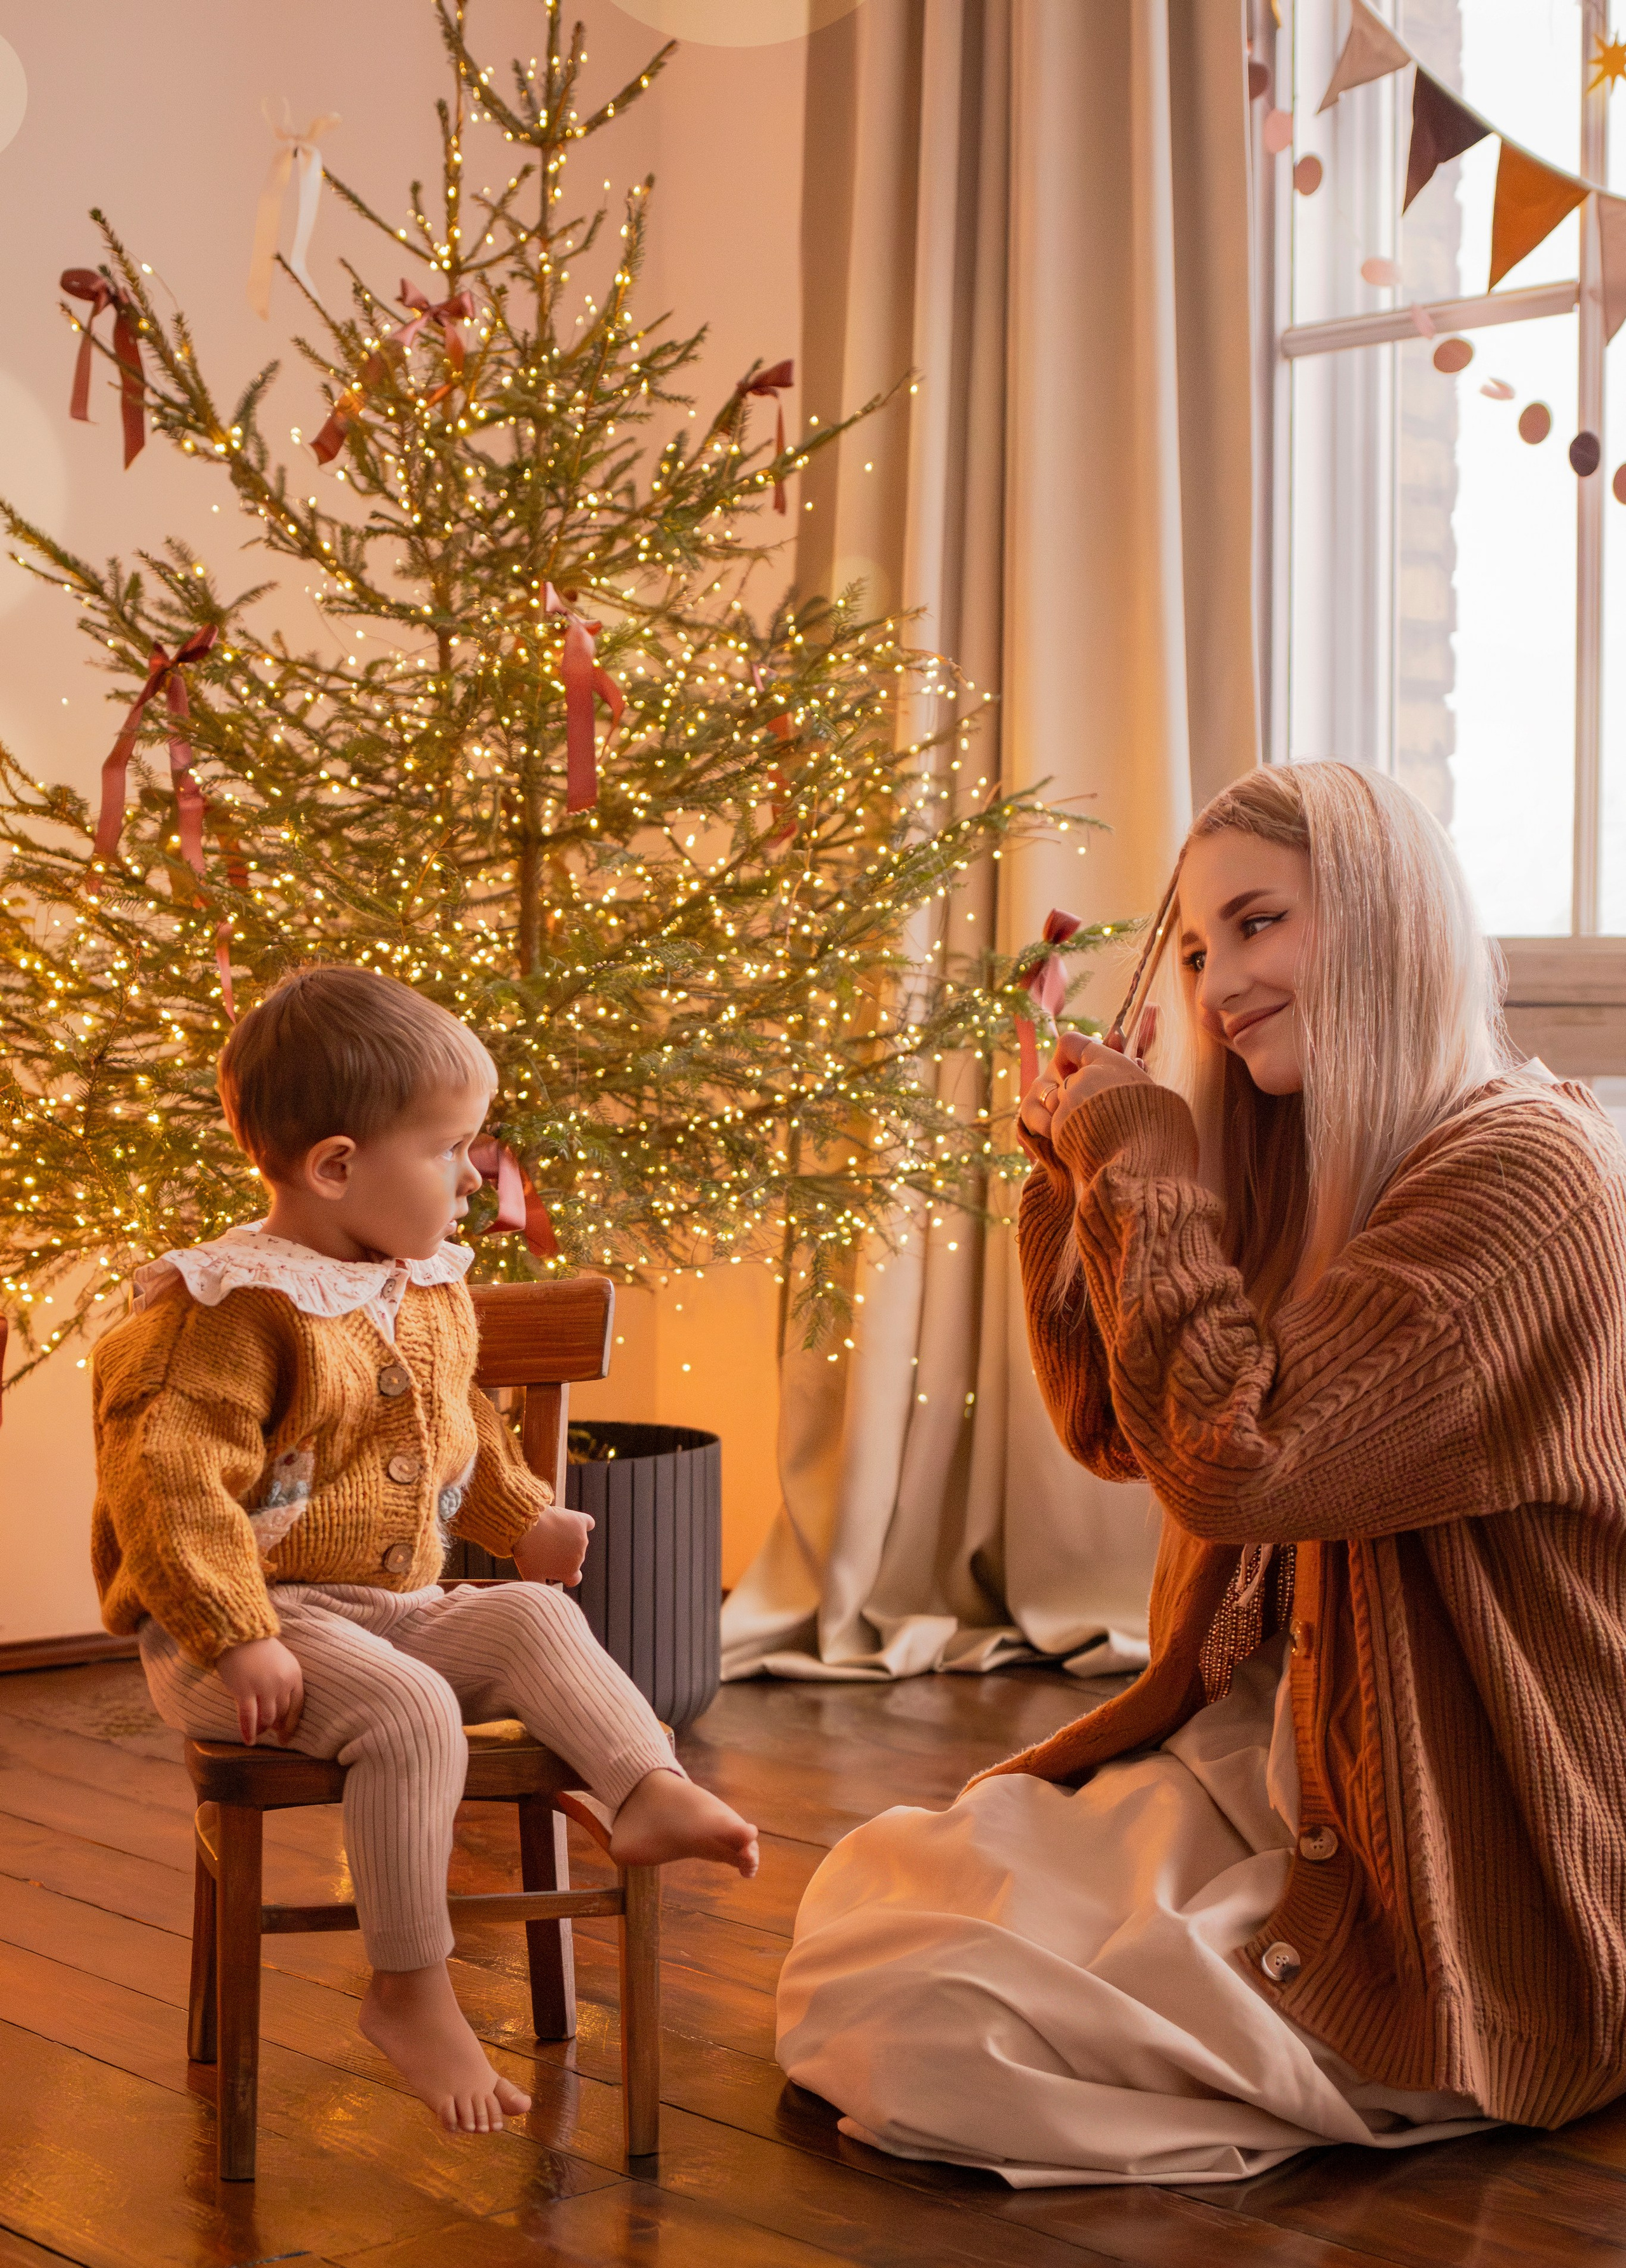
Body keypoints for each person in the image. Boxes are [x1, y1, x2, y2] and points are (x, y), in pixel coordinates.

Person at [776, 759, 1626, 2186]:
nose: (1216, 985)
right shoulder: (1310, 1154)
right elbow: (1119, 1431)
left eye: (1256, 923)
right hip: (1287, 1751)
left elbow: (1237, 1466)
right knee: (885, 1901)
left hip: (1453, 1829)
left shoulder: (1525, 1178)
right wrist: (1074, 1185)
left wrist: (1140, 1162)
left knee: (932, 2029)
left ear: (1382, 921)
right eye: (1188, 948)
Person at [93, 964, 758, 2137]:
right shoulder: (225, 1311)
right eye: (449, 1149)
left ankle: (645, 1787)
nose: (476, 1176)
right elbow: (168, 1489)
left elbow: (459, 1426)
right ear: (336, 1167)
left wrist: (519, 1517)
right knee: (409, 1713)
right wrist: (236, 1634)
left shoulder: (420, 1284)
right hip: (238, 1639)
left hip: (385, 1607)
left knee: (535, 1615)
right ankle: (409, 1986)